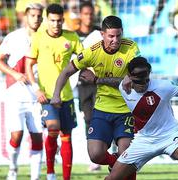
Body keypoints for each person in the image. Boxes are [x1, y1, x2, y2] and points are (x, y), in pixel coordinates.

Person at [50, 15, 140, 180]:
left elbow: (133, 81)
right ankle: (114, 162)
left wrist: (98, 80)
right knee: (95, 155)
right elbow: (66, 71)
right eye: (111, 36)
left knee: (127, 155)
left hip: (126, 109)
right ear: (102, 34)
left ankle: (120, 165)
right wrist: (56, 94)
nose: (115, 40)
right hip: (102, 109)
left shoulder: (131, 48)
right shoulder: (92, 52)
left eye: (119, 35)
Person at [25, 3, 83, 180]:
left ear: (63, 20)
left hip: (66, 95)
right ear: (47, 20)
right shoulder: (38, 38)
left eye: (59, 21)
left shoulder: (71, 38)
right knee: (53, 128)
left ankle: (66, 177)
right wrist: (36, 89)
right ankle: (50, 172)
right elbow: (28, 64)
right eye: (52, 20)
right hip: (47, 97)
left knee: (66, 135)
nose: (56, 24)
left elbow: (84, 58)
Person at [0, 3, 44, 180]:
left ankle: (35, 177)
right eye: (33, 15)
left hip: (38, 95)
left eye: (39, 15)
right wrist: (14, 73)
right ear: (25, 17)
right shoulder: (14, 37)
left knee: (38, 137)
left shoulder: (46, 38)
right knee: (17, 134)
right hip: (16, 93)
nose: (36, 18)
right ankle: (13, 168)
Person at [75, 1, 102, 172]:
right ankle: (94, 157)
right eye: (85, 14)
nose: (88, 16)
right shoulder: (73, 35)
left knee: (103, 117)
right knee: (88, 119)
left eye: (91, 14)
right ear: (80, 15)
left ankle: (106, 154)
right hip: (83, 84)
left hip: (100, 82)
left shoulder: (100, 32)